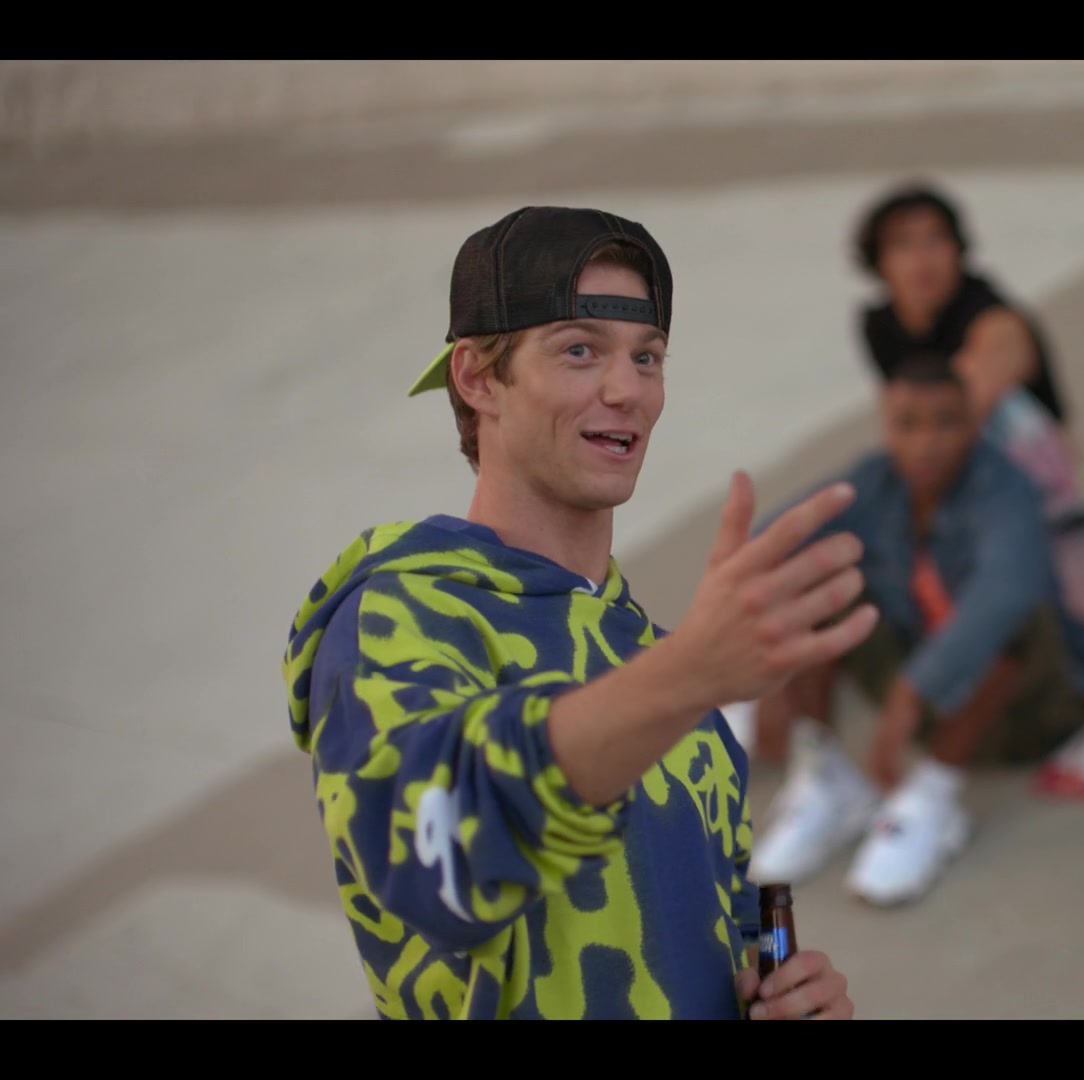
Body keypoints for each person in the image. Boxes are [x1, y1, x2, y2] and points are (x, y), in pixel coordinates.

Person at [281, 206, 865, 1020]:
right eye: (579, 350)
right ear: (477, 378)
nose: (626, 390)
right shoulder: (401, 613)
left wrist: (778, 996)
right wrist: (686, 675)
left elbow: (721, 924)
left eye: (647, 356)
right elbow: (431, 863)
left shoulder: (665, 666)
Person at [745, 354, 1084, 905]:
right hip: (927, 700)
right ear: (887, 426)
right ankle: (828, 779)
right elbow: (771, 544)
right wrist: (765, 671)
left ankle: (930, 799)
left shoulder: (1006, 490)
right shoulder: (876, 481)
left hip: (1030, 709)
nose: (926, 443)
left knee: (1014, 617)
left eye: (945, 422)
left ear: (973, 423)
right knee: (813, 581)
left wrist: (912, 691)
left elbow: (1007, 592)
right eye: (908, 424)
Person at [855, 182, 1084, 531]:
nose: (922, 258)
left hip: (1030, 478)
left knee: (957, 410)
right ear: (880, 262)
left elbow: (966, 404)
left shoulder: (992, 315)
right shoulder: (880, 324)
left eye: (935, 240)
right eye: (904, 244)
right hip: (953, 473)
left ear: (958, 249)